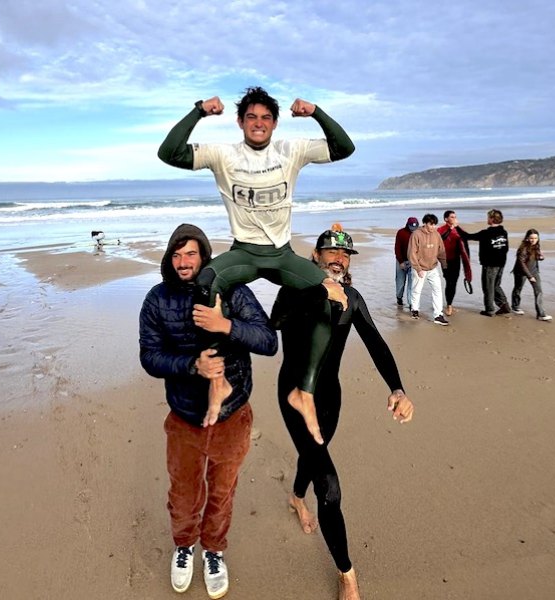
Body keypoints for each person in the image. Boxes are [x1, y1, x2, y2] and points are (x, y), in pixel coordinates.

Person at [157, 86, 353, 444]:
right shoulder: (224, 155)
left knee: (332, 297)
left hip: (281, 255)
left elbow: (344, 147)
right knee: (205, 284)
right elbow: (168, 152)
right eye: (251, 117)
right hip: (243, 254)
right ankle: (218, 381)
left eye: (265, 118)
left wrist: (316, 112)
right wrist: (199, 111)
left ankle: (304, 392)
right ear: (240, 122)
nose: (258, 123)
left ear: (275, 123)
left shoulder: (290, 150)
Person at [270, 224, 414, 600]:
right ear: (314, 257)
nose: (339, 258)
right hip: (294, 397)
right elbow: (275, 324)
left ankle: (296, 497)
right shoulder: (293, 291)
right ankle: (347, 573)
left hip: (330, 399)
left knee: (310, 456)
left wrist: (398, 389)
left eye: (345, 254)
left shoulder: (352, 298)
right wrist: (317, 291)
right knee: (329, 487)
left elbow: (377, 345)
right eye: (330, 252)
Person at [139, 224, 278, 599]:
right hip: (184, 417)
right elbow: (149, 357)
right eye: (177, 254)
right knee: (183, 494)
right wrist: (191, 366)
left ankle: (214, 551)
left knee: (221, 492)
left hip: (232, 415)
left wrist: (225, 325)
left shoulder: (231, 290)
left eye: (191, 254)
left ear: (204, 256)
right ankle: (184, 546)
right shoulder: (157, 299)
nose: (184, 262)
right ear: (170, 258)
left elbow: (268, 340)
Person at [463, 209, 511, 317]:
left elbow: (468, 236)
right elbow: (506, 248)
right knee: (496, 285)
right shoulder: (503, 232)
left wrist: (456, 227)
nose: (487, 219)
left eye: (488, 217)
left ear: (492, 219)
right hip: (501, 263)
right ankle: (504, 305)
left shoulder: (486, 233)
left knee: (488, 287)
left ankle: (489, 310)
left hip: (490, 265)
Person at [408, 214, 449, 325]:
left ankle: (438, 315)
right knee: (417, 290)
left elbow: (441, 251)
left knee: (437, 290)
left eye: (434, 224)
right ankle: (415, 310)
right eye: (431, 224)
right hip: (420, 268)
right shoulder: (416, 234)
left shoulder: (436, 234)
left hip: (433, 268)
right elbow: (411, 253)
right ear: (425, 223)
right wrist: (417, 268)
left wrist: (444, 265)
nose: (433, 226)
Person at [511, 229, 553, 321]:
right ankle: (515, 306)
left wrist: (541, 257)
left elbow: (535, 257)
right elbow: (521, 263)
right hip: (521, 272)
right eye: (531, 238)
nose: (533, 240)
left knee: (539, 291)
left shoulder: (536, 246)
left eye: (535, 238)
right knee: (518, 288)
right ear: (527, 238)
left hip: (534, 271)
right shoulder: (523, 249)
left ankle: (541, 314)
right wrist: (530, 276)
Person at [436, 210, 472, 315]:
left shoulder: (458, 230)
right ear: (446, 219)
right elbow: (440, 240)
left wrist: (458, 228)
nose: (454, 218)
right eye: (452, 217)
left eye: (455, 217)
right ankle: (449, 305)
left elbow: (466, 237)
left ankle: (449, 304)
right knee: (449, 281)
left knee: (453, 283)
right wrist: (451, 228)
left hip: (456, 260)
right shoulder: (440, 230)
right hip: (445, 260)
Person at [393, 217, 418, 308]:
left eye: (415, 227)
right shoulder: (401, 233)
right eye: (411, 227)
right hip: (401, 261)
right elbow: (397, 248)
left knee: (412, 283)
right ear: (407, 225)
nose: (413, 229)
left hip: (413, 262)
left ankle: (411, 304)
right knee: (400, 282)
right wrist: (401, 261)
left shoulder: (418, 233)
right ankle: (399, 297)